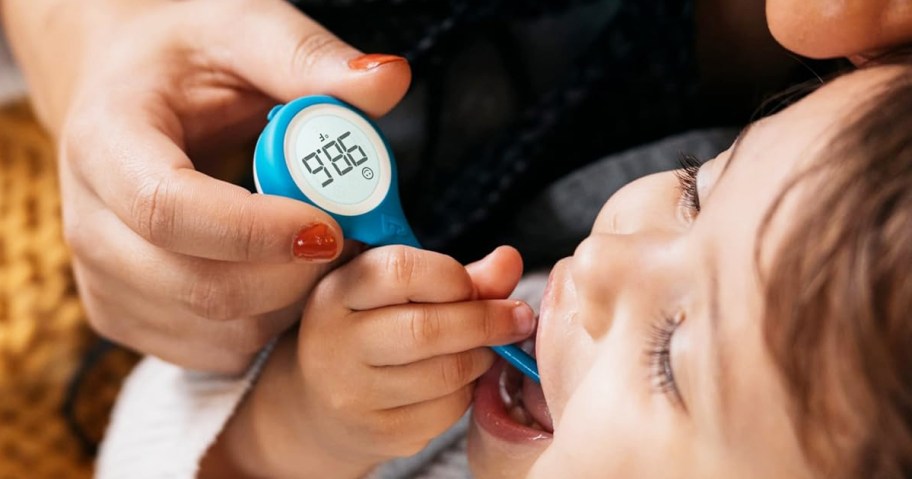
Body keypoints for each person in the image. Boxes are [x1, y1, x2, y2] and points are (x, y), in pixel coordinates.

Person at [98, 59, 912, 478]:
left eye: (672, 355)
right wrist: (295, 432)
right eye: (699, 186)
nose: (602, 262)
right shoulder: (506, 342)